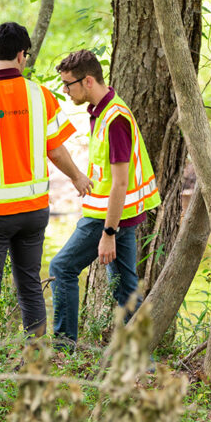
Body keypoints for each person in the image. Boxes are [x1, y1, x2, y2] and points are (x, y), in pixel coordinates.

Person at [0, 22, 92, 351]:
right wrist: (78, 177)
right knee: (29, 286)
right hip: (33, 211)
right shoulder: (40, 95)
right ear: (22, 56)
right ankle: (35, 360)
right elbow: (56, 149)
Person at [48, 49, 161, 348]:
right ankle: (137, 357)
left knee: (62, 268)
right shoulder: (103, 110)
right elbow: (110, 172)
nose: (65, 90)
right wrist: (86, 181)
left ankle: (63, 347)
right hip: (115, 214)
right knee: (125, 287)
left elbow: (121, 182)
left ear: (87, 81)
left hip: (108, 219)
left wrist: (109, 232)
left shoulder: (115, 119)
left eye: (68, 84)